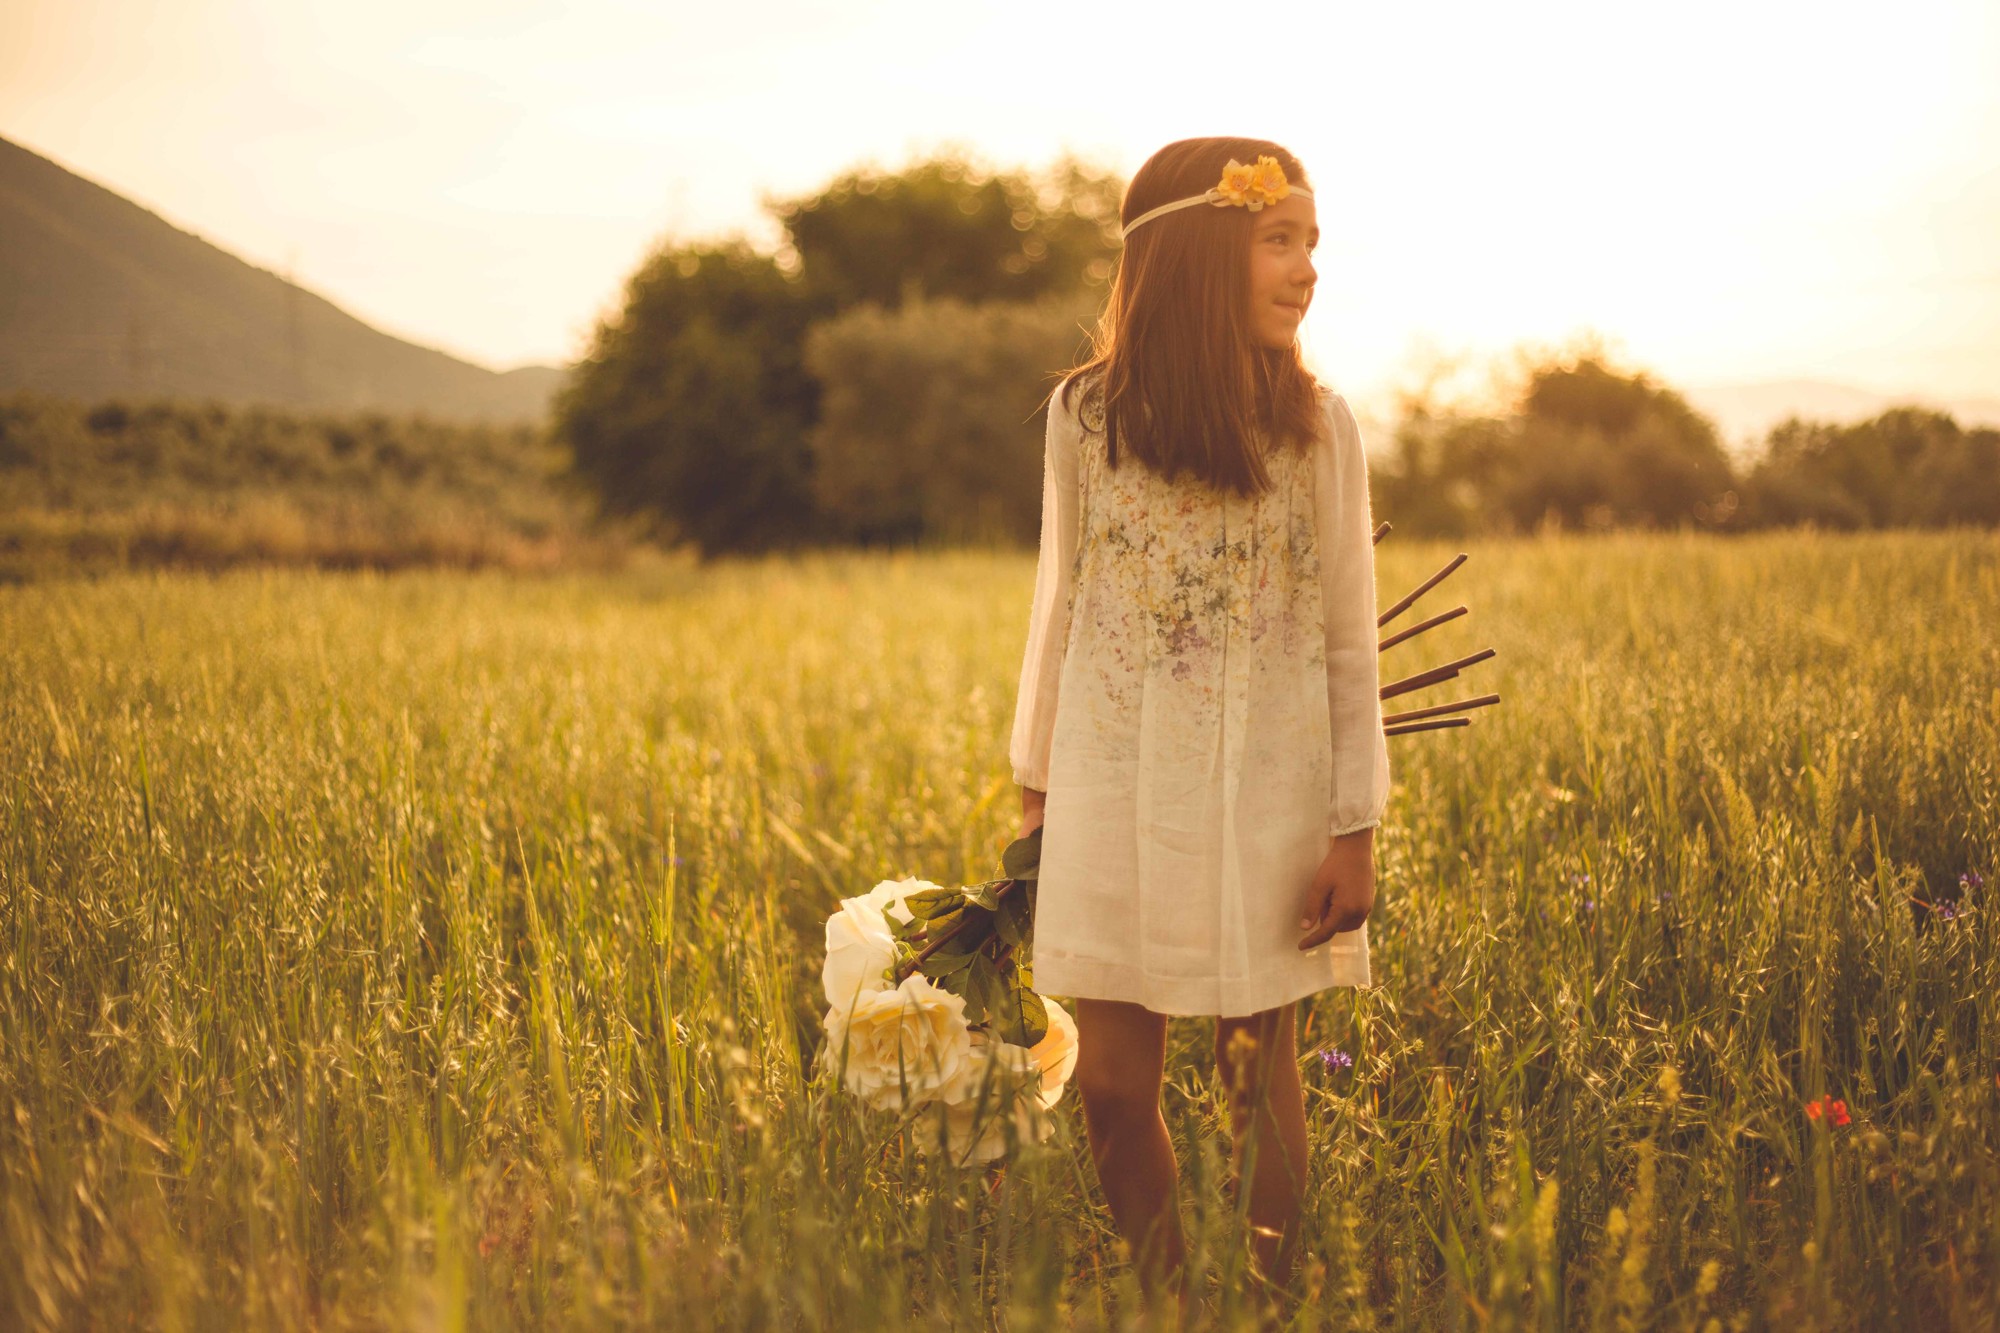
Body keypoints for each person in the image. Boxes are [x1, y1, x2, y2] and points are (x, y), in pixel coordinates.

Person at [1007, 136, 1391, 1318]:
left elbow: (1346, 637)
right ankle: (1168, 1304)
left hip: (1262, 788)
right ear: (1196, 254)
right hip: (1110, 779)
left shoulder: (1316, 427)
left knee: (1248, 1068)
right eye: (1279, 240)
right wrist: (1034, 788)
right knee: (1113, 1086)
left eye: (1310, 243)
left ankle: (1267, 1308)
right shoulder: (1085, 418)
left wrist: (1353, 826)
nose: (1305, 268)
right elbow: (1056, 604)